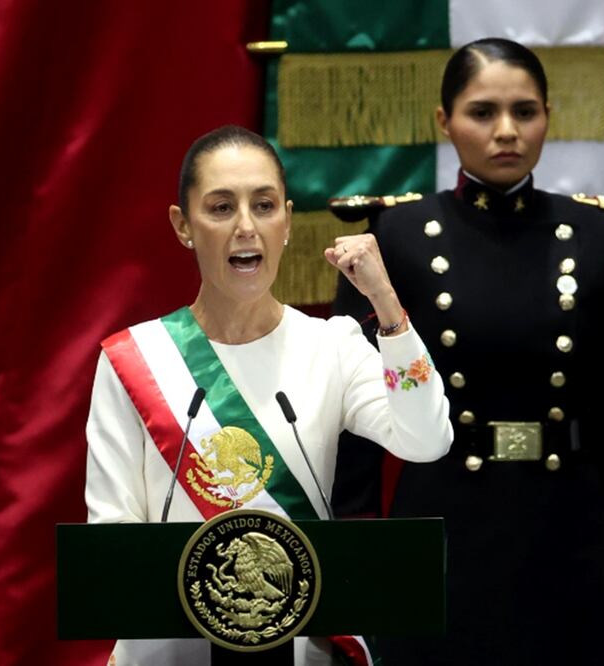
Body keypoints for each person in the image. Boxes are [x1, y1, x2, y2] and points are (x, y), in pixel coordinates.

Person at [332, 38, 604, 665]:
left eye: (525, 111)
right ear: (444, 121)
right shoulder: (395, 238)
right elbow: (354, 428)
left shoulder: (597, 236)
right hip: (442, 527)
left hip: (570, 529)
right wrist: (361, 557)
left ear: (548, 116)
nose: (506, 131)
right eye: (482, 112)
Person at [85, 125, 453, 666]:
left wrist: (387, 305)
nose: (245, 227)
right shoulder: (132, 359)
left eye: (264, 205)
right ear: (183, 226)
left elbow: (427, 440)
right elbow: (112, 539)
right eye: (220, 208)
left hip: (302, 651)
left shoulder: (332, 345)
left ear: (286, 222)